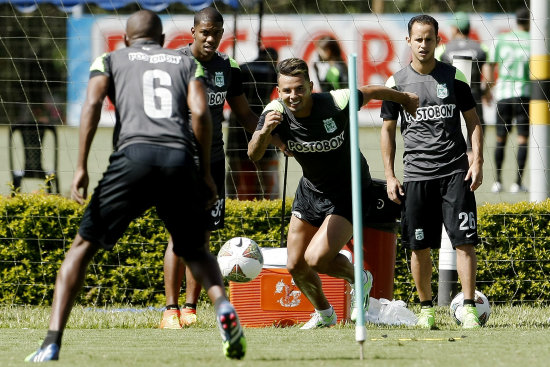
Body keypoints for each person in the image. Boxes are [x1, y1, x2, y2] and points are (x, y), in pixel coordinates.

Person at [25, 10, 246, 361]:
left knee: (83, 247)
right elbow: (202, 115)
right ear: (162, 41)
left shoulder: (110, 58)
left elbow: (93, 102)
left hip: (132, 157)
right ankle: (221, 305)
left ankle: (52, 340)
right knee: (196, 247)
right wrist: (204, 173)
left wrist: (80, 166)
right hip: (179, 158)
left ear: (127, 39)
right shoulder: (184, 63)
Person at [248, 58, 418, 329]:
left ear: (310, 86)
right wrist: (266, 132)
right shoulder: (273, 112)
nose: (293, 96)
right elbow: (253, 155)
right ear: (278, 91)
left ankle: (359, 278)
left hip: (348, 190)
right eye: (287, 90)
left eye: (299, 88)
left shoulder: (336, 102)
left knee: (316, 259)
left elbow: (372, 91)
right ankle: (325, 314)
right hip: (311, 191)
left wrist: (405, 98)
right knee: (295, 265)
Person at [160, 6, 262, 329]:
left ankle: (190, 309)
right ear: (192, 31)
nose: (210, 38)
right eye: (204, 32)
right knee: (178, 237)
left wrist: (272, 135)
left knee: (201, 238)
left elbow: (244, 114)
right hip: (178, 162)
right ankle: (169, 310)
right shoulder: (175, 64)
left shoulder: (228, 68)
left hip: (214, 164)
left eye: (216, 33)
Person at [380, 14, 484, 329]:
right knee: (418, 245)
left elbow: (474, 122)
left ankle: (468, 308)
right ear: (408, 41)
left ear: (438, 41)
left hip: (455, 173)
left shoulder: (454, 78)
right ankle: (426, 309)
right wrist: (389, 174)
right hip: (416, 176)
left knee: (464, 241)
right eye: (418, 39)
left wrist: (477, 160)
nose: (424, 44)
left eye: (429, 39)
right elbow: (387, 131)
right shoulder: (395, 83)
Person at [482, 7, 531, 193]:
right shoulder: (534, 41)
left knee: (500, 138)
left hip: (502, 94)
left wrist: (488, 88)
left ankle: (498, 181)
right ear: (529, 22)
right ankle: (517, 183)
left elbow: (489, 64)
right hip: (524, 93)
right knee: (522, 139)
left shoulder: (502, 39)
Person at [226, 47, 280, 200]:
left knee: (240, 181)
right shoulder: (272, 72)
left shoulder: (242, 69)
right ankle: (270, 209)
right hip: (264, 121)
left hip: (238, 126)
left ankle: (238, 208)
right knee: (269, 181)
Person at [435, 11, 488, 157]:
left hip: (450, 100)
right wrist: (485, 93)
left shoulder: (442, 50)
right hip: (474, 97)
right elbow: (488, 77)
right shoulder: (481, 48)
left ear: (454, 29)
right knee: (473, 140)